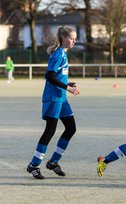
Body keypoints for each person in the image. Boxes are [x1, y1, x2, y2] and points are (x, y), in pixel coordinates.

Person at [27, 26, 80, 179]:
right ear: (63, 38)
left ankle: (53, 162)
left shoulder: (64, 54)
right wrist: (67, 88)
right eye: (71, 38)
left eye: (75, 38)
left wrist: (68, 84)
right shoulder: (58, 54)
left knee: (71, 128)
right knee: (50, 130)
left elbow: (58, 76)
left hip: (61, 98)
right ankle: (33, 165)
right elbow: (49, 76)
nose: (74, 41)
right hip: (53, 98)